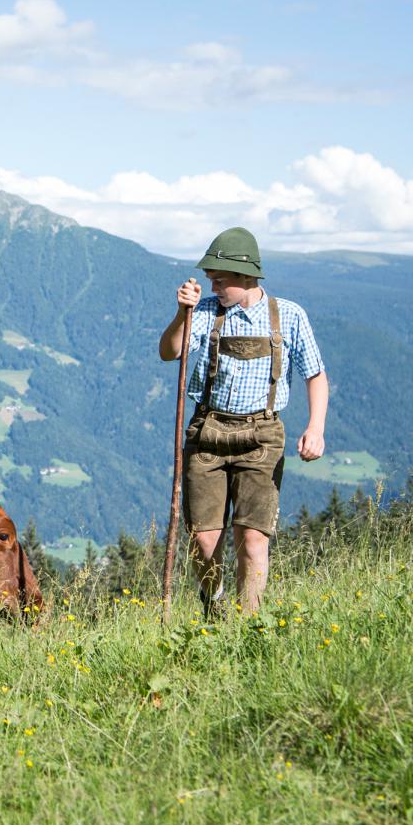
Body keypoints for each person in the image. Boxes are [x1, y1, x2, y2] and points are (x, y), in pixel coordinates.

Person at [158, 227, 328, 616]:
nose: (212, 285)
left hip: (262, 437)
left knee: (252, 537)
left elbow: (315, 375)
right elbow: (170, 352)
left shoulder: (289, 316)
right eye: (210, 279)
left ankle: (248, 624)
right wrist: (180, 313)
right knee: (204, 540)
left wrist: (315, 428)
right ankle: (215, 603)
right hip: (208, 433)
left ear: (247, 277)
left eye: (220, 280)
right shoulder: (204, 312)